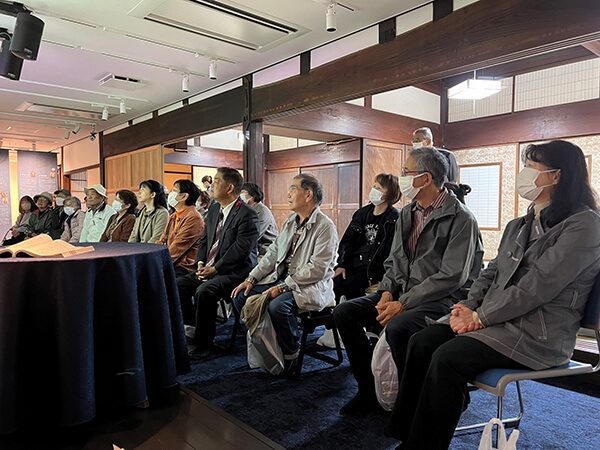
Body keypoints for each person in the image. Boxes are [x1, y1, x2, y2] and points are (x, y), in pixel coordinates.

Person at [386, 140, 600, 450]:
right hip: (498, 320)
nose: (524, 174)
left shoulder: (585, 226)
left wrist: (480, 317)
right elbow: (490, 273)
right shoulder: (522, 223)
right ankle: (407, 434)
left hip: (539, 334)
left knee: (447, 357)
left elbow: (537, 286)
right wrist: (467, 307)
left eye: (532, 168)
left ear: (557, 176)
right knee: (421, 341)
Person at [333, 146, 482, 415]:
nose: (401, 178)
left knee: (399, 326)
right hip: (403, 294)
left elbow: (452, 277)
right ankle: (369, 389)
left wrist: (403, 304)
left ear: (425, 178)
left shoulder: (461, 219)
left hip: (442, 300)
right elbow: (395, 261)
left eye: (406, 172)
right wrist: (388, 292)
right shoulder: (408, 212)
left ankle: (411, 401)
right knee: (345, 312)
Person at [232, 173, 338, 375]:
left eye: (292, 188)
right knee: (240, 296)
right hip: (283, 280)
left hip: (309, 284)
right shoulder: (291, 221)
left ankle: (291, 352)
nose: (287, 194)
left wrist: (282, 287)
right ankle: (271, 349)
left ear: (308, 195)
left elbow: (317, 269)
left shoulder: (325, 226)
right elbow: (273, 253)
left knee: (278, 305)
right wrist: (251, 278)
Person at [176, 167, 259, 360]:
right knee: (178, 284)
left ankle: (204, 344)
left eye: (216, 181)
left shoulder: (247, 214)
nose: (211, 185)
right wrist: (201, 263)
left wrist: (215, 269)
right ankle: (192, 329)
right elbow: (205, 240)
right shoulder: (214, 209)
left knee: (205, 290)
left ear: (229, 187)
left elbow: (241, 250)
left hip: (236, 271)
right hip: (210, 266)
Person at [333, 173, 401, 301]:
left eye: (379, 188)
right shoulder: (362, 213)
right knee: (336, 282)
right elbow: (348, 241)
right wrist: (342, 264)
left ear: (390, 193)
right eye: (374, 186)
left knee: (350, 286)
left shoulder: (394, 218)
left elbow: (393, 253)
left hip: (374, 270)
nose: (374, 190)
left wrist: (385, 279)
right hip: (355, 264)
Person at [160, 179, 205, 276]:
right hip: (172, 261)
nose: (171, 193)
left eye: (174, 190)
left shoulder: (193, 217)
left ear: (184, 196)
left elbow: (178, 247)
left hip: (183, 266)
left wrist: (157, 263)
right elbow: (162, 240)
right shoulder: (173, 216)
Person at [241, 182, 279, 257]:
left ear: (252, 196)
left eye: (243, 193)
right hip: (256, 249)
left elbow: (253, 235)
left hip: (267, 251)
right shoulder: (248, 210)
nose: (240, 196)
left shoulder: (262, 211)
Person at [128, 180, 169, 244]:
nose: (139, 193)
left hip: (150, 251)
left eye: (143, 190)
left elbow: (156, 239)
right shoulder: (142, 212)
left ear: (152, 194)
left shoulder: (162, 213)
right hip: (138, 250)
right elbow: (133, 237)